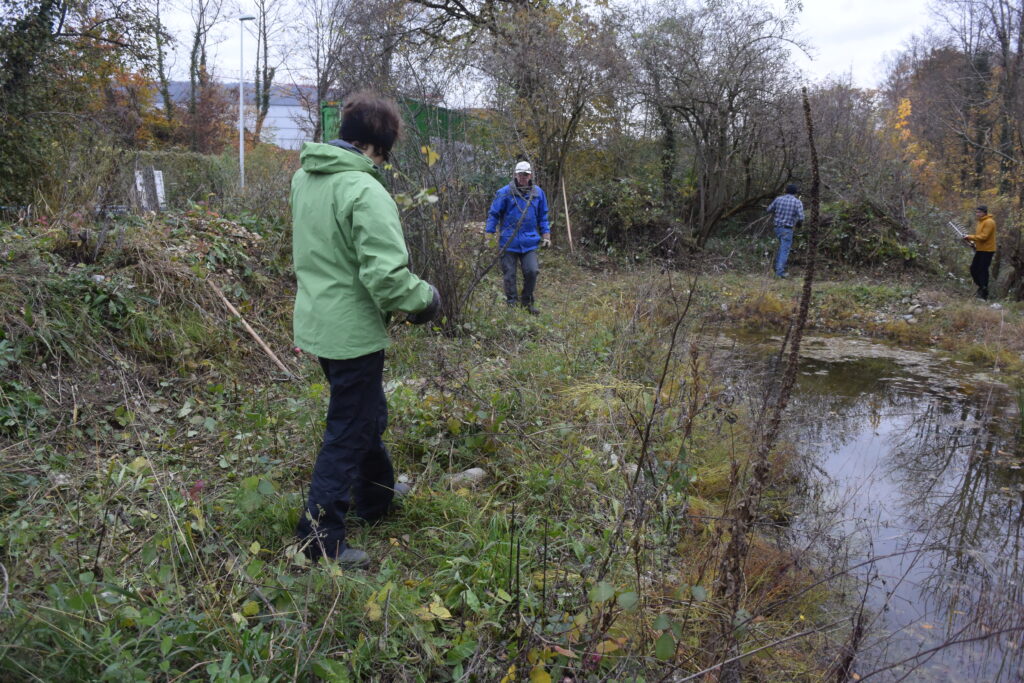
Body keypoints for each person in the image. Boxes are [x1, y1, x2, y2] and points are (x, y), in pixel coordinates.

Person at [290, 92, 441, 568]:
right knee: (348, 431)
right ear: (381, 146)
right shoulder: (365, 189)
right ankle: (318, 539)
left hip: (318, 323)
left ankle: (376, 499)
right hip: (351, 331)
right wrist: (426, 300)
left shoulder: (306, 177)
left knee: (367, 416)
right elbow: (387, 278)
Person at [485, 160, 551, 314]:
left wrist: (546, 235)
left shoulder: (538, 193)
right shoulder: (504, 193)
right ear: (515, 174)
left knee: (532, 271)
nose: (523, 177)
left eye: (526, 175)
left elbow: (543, 216)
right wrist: (489, 235)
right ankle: (512, 305)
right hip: (509, 241)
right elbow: (493, 214)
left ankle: (527, 302)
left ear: (530, 176)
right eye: (520, 174)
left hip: (530, 241)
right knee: (510, 275)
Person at [766, 183, 805, 278]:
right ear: (795, 192)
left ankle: (776, 268)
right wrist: (799, 223)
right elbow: (801, 217)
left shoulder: (778, 199)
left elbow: (769, 209)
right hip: (787, 229)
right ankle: (779, 272)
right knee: (784, 250)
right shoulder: (797, 202)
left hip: (777, 228)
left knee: (781, 248)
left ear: (785, 191)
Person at [964, 205, 996, 300]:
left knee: (983, 270)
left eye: (979, 212)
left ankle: (984, 292)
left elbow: (984, 237)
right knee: (973, 269)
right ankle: (981, 287)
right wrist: (973, 243)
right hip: (980, 249)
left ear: (984, 212)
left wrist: (969, 236)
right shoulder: (980, 222)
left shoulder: (989, 222)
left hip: (988, 250)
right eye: (976, 212)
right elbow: (979, 237)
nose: (977, 214)